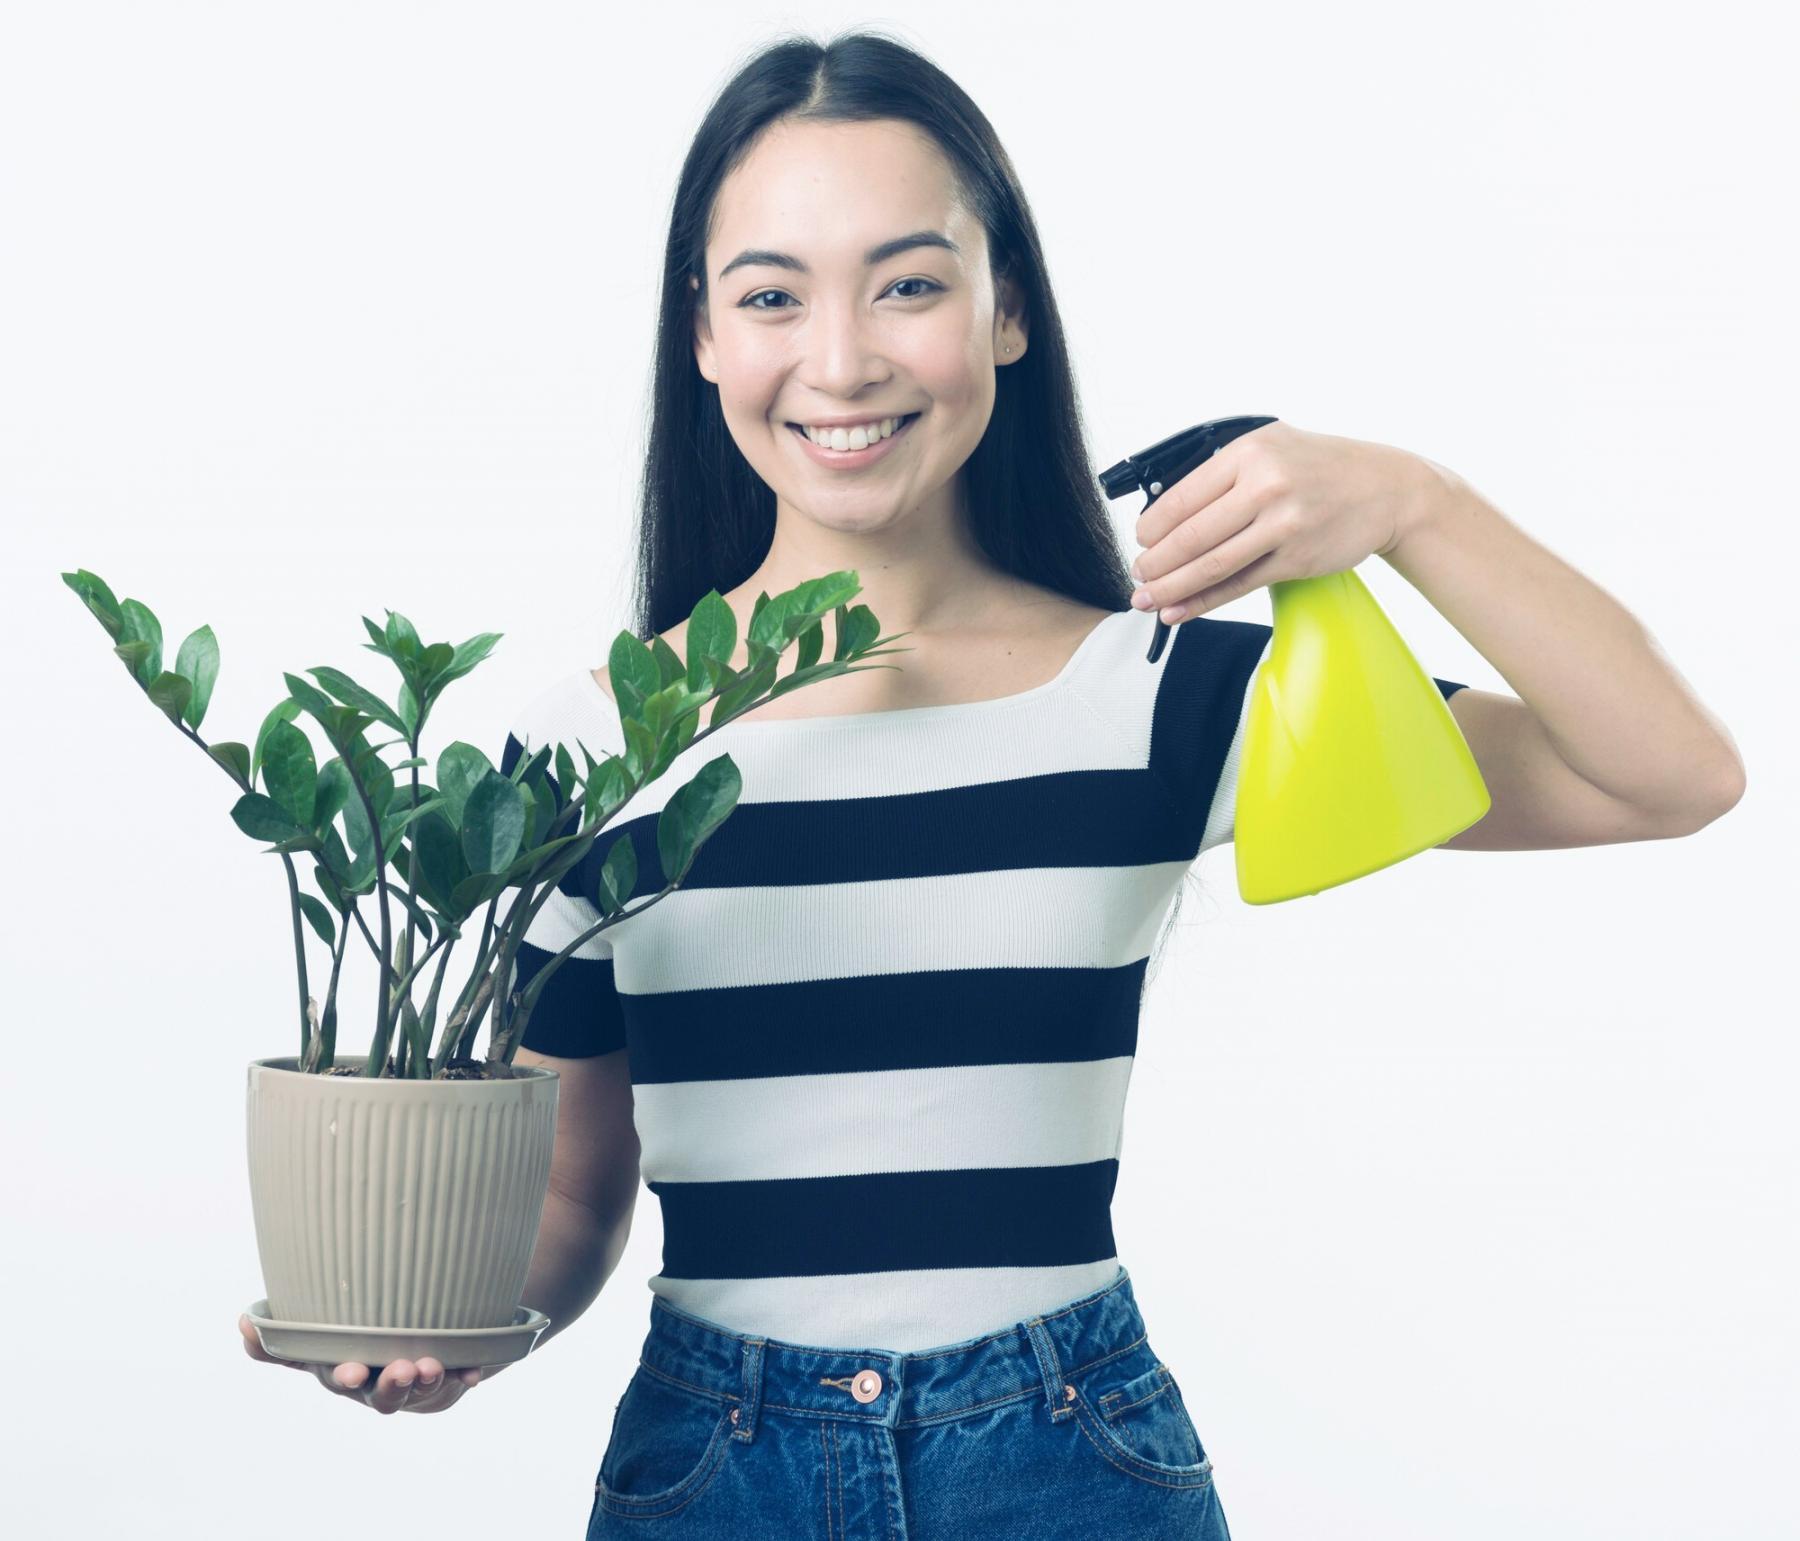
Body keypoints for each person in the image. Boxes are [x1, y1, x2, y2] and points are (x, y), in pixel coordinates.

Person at [242, 27, 1745, 1539]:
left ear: (1006, 307)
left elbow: (1667, 773)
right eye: (772, 295)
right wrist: (455, 1331)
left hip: (1069, 1463)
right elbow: (574, 1194)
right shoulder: (587, 757)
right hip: (712, 1472)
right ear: (700, 335)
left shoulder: (1160, 697)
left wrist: (1417, 504)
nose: (841, 360)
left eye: (909, 282)